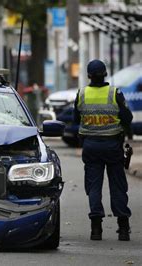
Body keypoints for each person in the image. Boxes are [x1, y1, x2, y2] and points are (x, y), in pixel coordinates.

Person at [74, 59, 133, 241]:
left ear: (89, 76)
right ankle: (123, 229)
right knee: (117, 186)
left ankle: (96, 229)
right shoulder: (115, 93)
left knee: (93, 187)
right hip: (112, 146)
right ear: (105, 74)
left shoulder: (82, 94)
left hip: (91, 146)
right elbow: (127, 118)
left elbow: (76, 119)